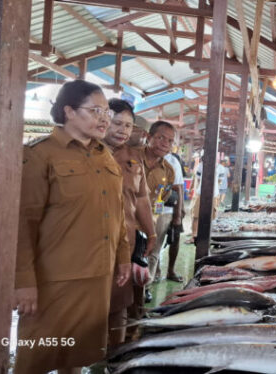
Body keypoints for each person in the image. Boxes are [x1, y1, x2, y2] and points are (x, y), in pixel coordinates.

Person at [14, 80, 131, 374]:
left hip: (97, 278)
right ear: (69, 111)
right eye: (95, 111)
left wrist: (124, 256)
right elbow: (22, 223)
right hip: (54, 281)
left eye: (106, 111)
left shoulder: (105, 155)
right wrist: (23, 281)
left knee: (77, 355)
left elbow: (116, 211)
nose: (104, 118)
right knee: (36, 359)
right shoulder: (40, 155)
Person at [103, 99, 157, 346]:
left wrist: (151, 232)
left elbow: (143, 198)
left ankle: (116, 355)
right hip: (92, 243)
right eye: (117, 123)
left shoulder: (133, 158)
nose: (123, 130)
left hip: (126, 242)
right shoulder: (90, 151)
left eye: (128, 125)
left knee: (121, 303)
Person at [139, 121, 176, 303]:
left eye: (170, 141)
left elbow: (162, 196)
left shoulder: (168, 171)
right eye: (161, 138)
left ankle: (146, 286)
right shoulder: (132, 158)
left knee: (152, 253)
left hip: (153, 216)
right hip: (129, 218)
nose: (165, 144)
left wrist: (156, 218)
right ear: (149, 137)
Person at [162, 150, 186, 283]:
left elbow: (179, 187)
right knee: (154, 242)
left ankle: (171, 270)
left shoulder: (173, 161)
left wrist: (179, 211)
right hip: (154, 208)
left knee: (175, 238)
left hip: (172, 206)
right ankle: (156, 271)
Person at [190, 156, 221, 242]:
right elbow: (198, 179)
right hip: (203, 193)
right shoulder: (201, 165)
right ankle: (194, 235)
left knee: (209, 216)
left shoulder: (218, 167)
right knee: (196, 215)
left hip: (212, 193)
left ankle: (201, 235)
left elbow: (199, 179)